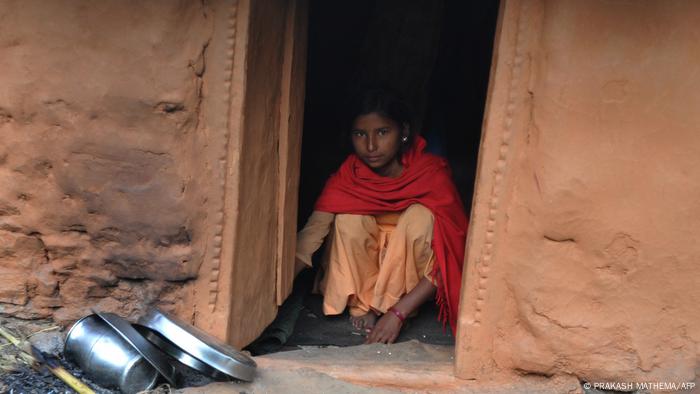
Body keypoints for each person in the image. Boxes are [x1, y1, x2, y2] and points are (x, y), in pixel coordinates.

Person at [295, 90, 468, 344]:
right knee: (347, 219)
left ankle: (393, 305)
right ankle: (365, 304)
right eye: (360, 134)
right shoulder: (348, 176)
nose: (371, 146)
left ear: (404, 132)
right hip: (362, 281)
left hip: (409, 287)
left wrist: (398, 313)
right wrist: (268, 292)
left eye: (383, 132)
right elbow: (310, 236)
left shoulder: (429, 176)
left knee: (420, 218)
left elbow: (451, 254)